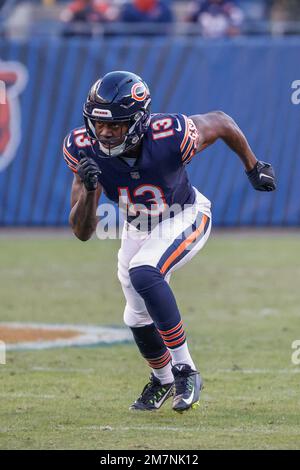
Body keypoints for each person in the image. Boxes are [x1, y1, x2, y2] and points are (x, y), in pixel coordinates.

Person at [63, 71, 276, 412]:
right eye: (99, 123)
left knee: (145, 272)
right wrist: (90, 191)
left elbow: (221, 122)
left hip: (185, 214)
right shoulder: (83, 147)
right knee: (135, 318)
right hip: (138, 226)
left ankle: (185, 369)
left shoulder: (170, 135)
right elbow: (82, 231)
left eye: (115, 125)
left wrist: (252, 167)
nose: (104, 132)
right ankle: (161, 379)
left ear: (138, 120)